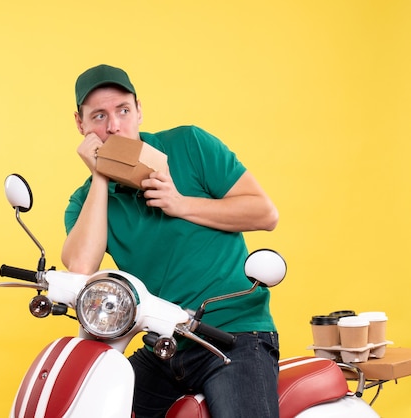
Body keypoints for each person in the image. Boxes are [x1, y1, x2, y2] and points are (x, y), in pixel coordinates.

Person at [61, 64, 280, 418]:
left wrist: (179, 204)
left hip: (232, 336)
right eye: (98, 116)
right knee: (91, 403)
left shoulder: (189, 145)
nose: (114, 126)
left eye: (123, 111)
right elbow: (82, 267)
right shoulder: (86, 201)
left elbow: (265, 214)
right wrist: (101, 176)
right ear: (80, 124)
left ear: (139, 110)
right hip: (162, 344)